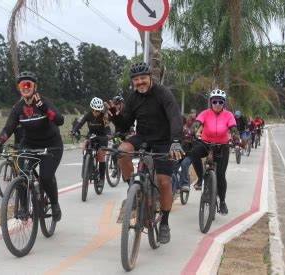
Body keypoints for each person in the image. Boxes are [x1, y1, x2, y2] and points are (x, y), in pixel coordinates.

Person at [105, 61, 184, 244]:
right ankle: (132, 187)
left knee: (164, 182)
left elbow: (174, 117)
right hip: (143, 138)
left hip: (164, 141)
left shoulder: (163, 93)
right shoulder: (132, 98)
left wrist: (176, 142)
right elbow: (125, 125)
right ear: (132, 82)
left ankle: (164, 223)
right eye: (136, 80)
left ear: (150, 78)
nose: (140, 82)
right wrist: (116, 117)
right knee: (122, 150)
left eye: (143, 78)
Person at [0, 71, 64, 222]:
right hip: (29, 143)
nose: (25, 87)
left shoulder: (44, 102)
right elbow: (8, 128)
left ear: (34, 86)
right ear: (19, 88)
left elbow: (59, 120)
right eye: (22, 85)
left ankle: (55, 204)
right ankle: (24, 207)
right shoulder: (18, 108)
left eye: (28, 84)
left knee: (45, 177)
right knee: (22, 174)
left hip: (51, 145)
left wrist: (44, 109)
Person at [190, 89, 239, 215]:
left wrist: (236, 137)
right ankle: (201, 179)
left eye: (220, 102)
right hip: (206, 144)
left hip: (222, 146)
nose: (217, 104)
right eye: (215, 101)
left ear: (224, 103)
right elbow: (197, 123)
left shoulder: (228, 115)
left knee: (221, 175)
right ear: (211, 102)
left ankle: (222, 202)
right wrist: (191, 130)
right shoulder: (205, 113)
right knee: (194, 153)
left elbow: (233, 128)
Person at [71, 97, 111, 186]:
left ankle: (101, 179)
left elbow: (108, 129)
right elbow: (80, 123)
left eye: (99, 111)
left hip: (102, 137)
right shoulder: (88, 115)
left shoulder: (103, 117)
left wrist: (108, 135)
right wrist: (74, 131)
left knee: (100, 155)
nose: (97, 113)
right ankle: (87, 165)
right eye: (95, 111)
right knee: (84, 146)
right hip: (91, 135)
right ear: (92, 109)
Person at [172, 115, 195, 195]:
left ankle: (185, 184)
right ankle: (174, 188)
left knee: (184, 164)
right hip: (179, 154)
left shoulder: (191, 131)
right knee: (172, 167)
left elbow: (196, 142)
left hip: (189, 155)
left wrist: (191, 142)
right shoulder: (175, 132)